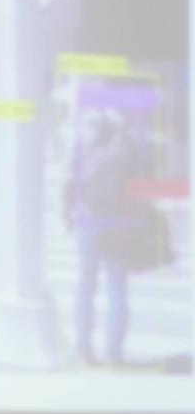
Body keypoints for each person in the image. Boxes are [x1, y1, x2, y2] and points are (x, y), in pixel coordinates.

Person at [66, 111, 145, 366]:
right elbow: (138, 186)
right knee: (118, 288)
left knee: (86, 286)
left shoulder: (83, 145)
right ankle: (114, 352)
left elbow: (71, 182)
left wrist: (69, 216)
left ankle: (83, 349)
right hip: (117, 224)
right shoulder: (127, 147)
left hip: (88, 220)